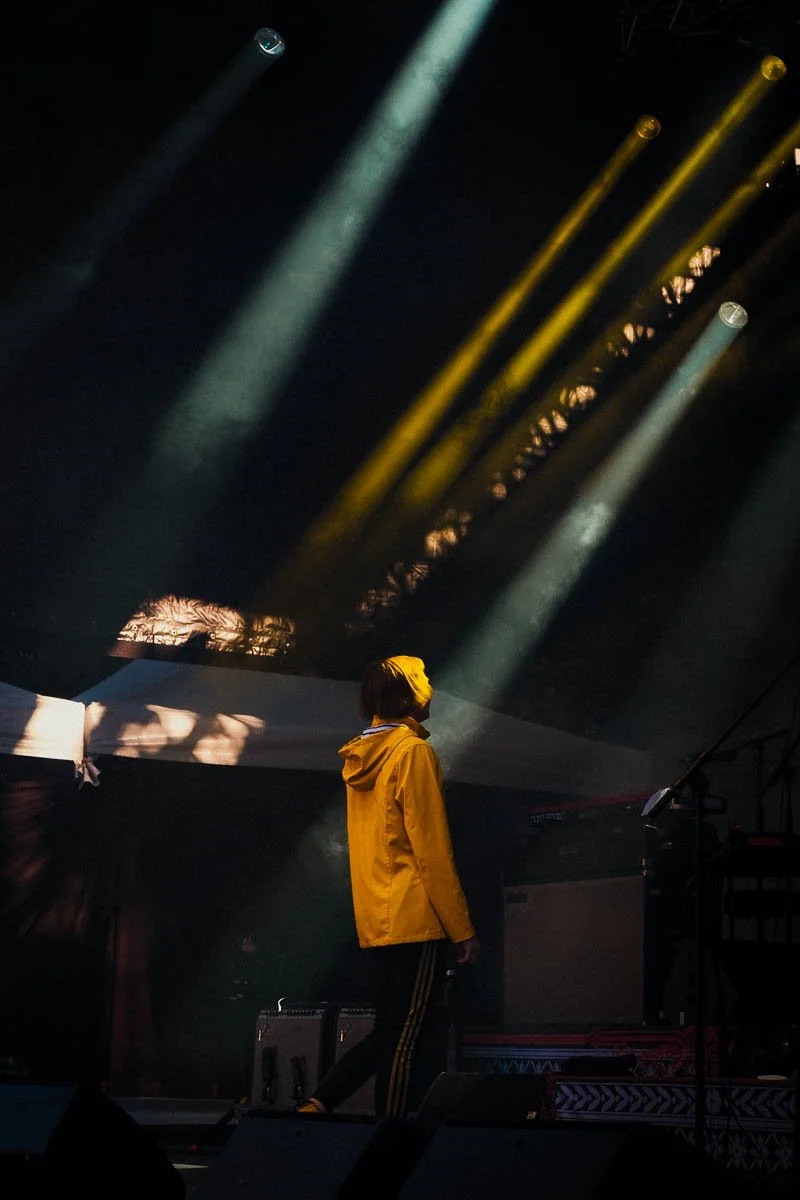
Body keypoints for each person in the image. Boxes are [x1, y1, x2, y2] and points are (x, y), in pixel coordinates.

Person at [298, 655, 478, 1119]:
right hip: (416, 919)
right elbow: (432, 850)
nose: (431, 687)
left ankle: (319, 1102)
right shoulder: (411, 752)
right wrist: (461, 928)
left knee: (391, 1030)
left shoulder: (362, 755)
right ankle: (390, 1135)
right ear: (407, 693)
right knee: (405, 1039)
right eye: (424, 678)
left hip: (378, 918)